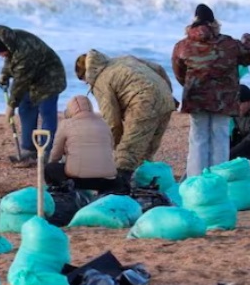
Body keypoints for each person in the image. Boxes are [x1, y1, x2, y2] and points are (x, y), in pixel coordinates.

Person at [172, 4, 250, 177]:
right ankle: (219, 180)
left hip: (195, 98)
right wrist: (248, 37)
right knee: (220, 137)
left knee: (198, 138)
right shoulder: (229, 44)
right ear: (214, 24)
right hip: (224, 100)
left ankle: (196, 180)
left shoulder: (182, 46)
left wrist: (190, 86)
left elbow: (179, 72)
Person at [75, 50, 179, 190]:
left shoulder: (100, 81)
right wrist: (168, 93)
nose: (87, 84)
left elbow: (111, 120)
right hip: (166, 100)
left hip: (143, 103)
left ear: (86, 74)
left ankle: (121, 191)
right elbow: (158, 68)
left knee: (127, 153)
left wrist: (116, 145)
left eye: (85, 81)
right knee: (146, 151)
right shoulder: (124, 59)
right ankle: (146, 187)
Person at [0, 25, 67, 163]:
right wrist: (4, 74)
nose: (1, 56)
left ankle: (47, 152)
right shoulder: (9, 40)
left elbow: (20, 82)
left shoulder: (25, 52)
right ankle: (29, 150)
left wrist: (11, 106)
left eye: (0, 53)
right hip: (32, 79)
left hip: (50, 78)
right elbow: (10, 58)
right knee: (25, 109)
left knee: (47, 113)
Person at [45, 95, 118, 192]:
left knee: (50, 168)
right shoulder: (104, 123)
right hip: (106, 180)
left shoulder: (66, 124)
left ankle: (64, 190)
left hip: (79, 180)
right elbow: (111, 147)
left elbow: (55, 155)